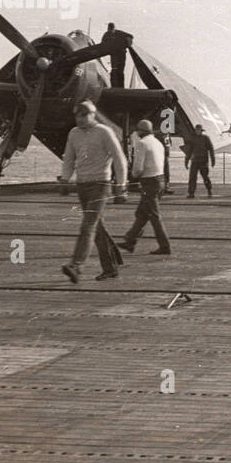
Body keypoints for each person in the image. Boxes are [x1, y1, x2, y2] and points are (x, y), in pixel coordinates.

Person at [58, 101, 128, 282]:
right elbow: (69, 159)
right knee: (97, 228)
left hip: (100, 185)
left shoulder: (104, 132)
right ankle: (112, 267)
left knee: (88, 226)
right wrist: (65, 179)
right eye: (77, 116)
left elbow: (120, 159)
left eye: (84, 115)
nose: (80, 119)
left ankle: (76, 266)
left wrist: (121, 185)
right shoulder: (73, 134)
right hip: (82, 185)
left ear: (93, 114)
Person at [121, 120, 172, 256]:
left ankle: (165, 246)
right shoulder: (158, 143)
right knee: (142, 213)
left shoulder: (142, 144)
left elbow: (138, 168)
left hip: (149, 183)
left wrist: (131, 177)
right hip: (160, 180)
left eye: (137, 130)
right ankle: (130, 241)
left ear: (140, 131)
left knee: (154, 216)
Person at [186, 123, 216, 198]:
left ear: (201, 130)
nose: (197, 131)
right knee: (192, 177)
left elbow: (211, 149)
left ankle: (209, 191)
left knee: (205, 177)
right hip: (195, 161)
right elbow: (189, 150)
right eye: (196, 129)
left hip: (203, 161)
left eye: (199, 130)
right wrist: (186, 161)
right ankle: (191, 193)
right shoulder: (192, 138)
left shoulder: (205, 138)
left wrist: (213, 160)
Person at [101, 22, 130, 88]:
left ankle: (121, 87)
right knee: (114, 70)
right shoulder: (106, 34)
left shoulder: (120, 33)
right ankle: (114, 86)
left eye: (112, 29)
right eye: (109, 29)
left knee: (120, 71)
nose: (110, 31)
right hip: (114, 54)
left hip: (121, 54)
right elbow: (102, 44)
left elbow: (130, 36)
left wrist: (126, 45)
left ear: (114, 28)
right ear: (108, 28)